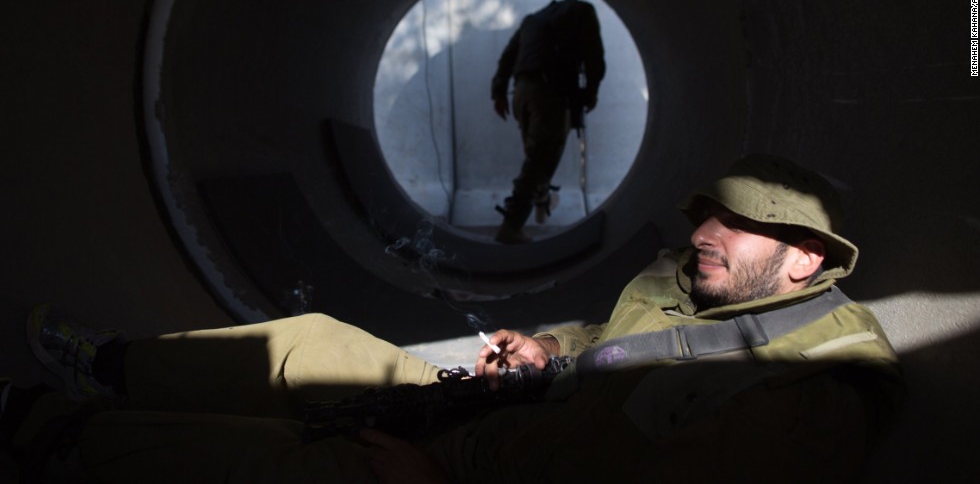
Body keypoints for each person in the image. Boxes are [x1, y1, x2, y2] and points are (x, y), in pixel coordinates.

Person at [0, 154, 904, 482]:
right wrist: (548, 349)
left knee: (284, 460)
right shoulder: (713, 286)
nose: (703, 234)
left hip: (473, 469)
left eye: (735, 226)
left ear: (807, 258)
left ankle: (56, 437)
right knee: (312, 346)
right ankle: (112, 367)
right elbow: (615, 350)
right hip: (501, 417)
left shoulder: (808, 398)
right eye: (708, 213)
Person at [490, 0, 606, 244]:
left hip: (521, 93)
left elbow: (508, 56)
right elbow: (593, 54)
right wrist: (592, 91)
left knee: (537, 154)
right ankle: (512, 225)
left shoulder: (533, 20)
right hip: (550, 93)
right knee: (541, 158)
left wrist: (499, 91)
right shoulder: (582, 12)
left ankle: (541, 198)